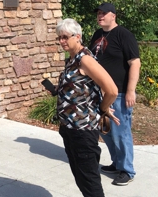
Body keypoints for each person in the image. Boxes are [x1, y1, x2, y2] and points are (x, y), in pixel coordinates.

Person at [55, 18, 119, 197]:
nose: (61, 41)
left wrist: (103, 108)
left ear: (78, 37)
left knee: (90, 182)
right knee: (81, 178)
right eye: (59, 37)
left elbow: (112, 90)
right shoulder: (72, 59)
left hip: (83, 130)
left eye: (65, 37)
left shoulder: (85, 59)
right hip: (69, 128)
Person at [89, 2, 141, 186]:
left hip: (118, 93)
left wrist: (130, 91)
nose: (100, 16)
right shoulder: (97, 35)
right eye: (98, 13)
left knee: (121, 132)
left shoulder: (124, 35)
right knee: (107, 131)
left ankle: (127, 170)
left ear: (114, 15)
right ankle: (117, 163)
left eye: (104, 13)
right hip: (100, 93)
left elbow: (135, 63)